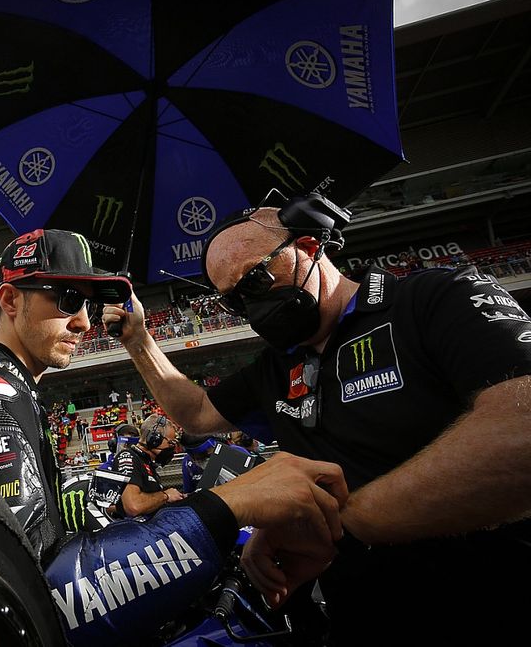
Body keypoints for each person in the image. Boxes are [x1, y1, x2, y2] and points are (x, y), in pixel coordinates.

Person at [0, 228, 348, 646]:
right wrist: (224, 507)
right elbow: (21, 600)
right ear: (10, 301)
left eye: (87, 304)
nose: (83, 321)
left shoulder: (11, 390)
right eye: (66, 300)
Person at [103, 197, 531, 644]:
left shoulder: (435, 297)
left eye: (255, 280)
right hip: (361, 613)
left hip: (497, 600)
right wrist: (138, 339)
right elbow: (195, 412)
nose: (250, 307)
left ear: (308, 246)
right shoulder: (274, 369)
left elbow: (522, 430)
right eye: (233, 302)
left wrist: (340, 520)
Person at [109, 414, 186, 518]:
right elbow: (133, 506)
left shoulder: (147, 462)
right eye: (170, 443)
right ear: (154, 439)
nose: (172, 448)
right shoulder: (128, 457)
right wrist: (165, 496)